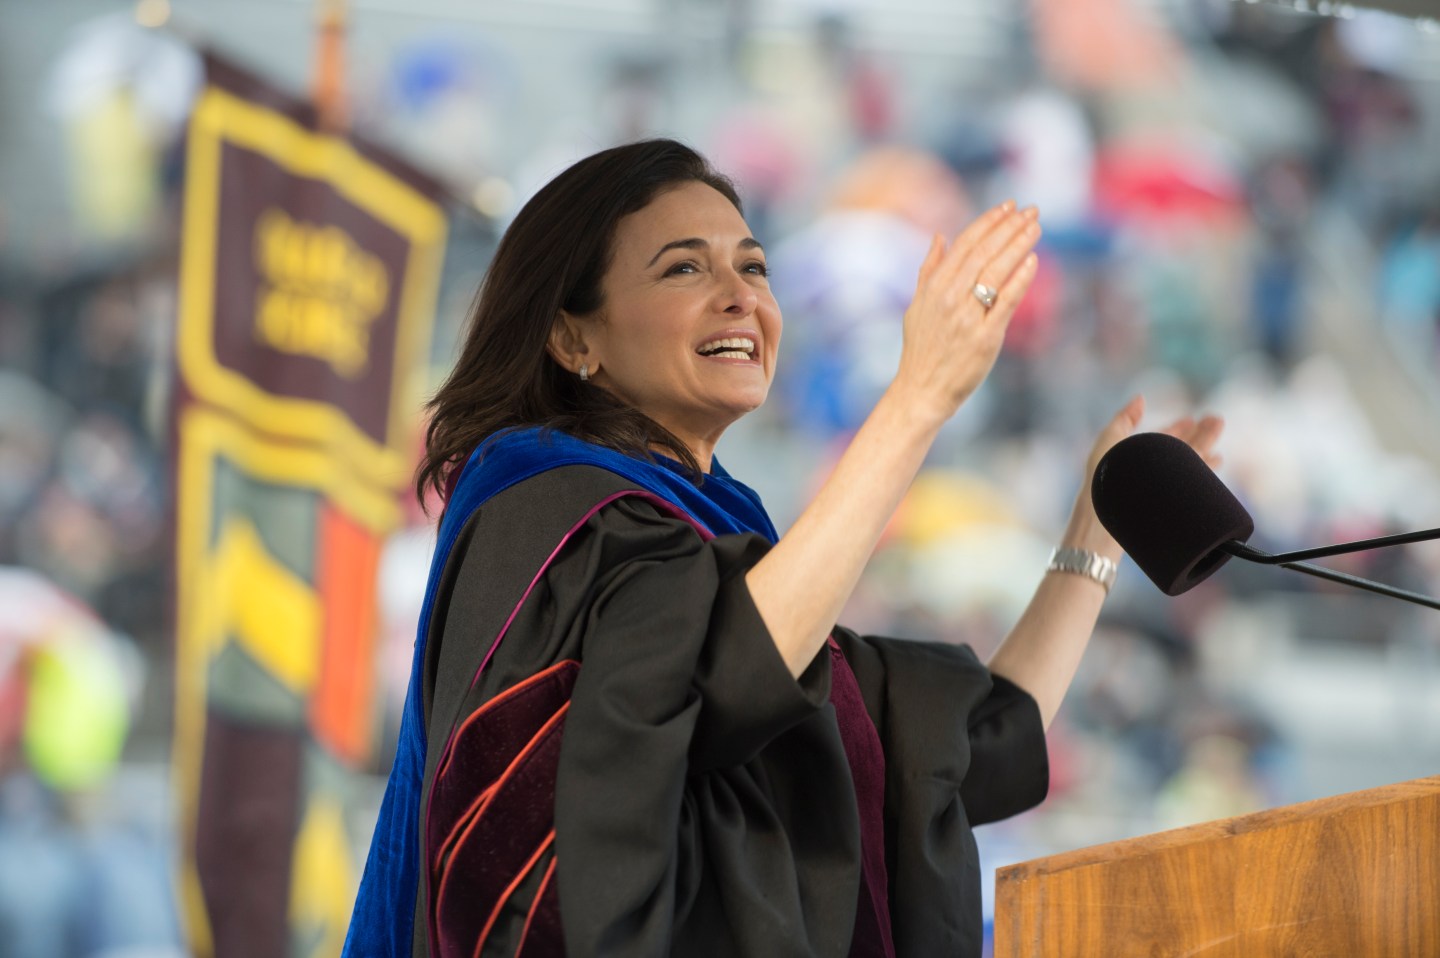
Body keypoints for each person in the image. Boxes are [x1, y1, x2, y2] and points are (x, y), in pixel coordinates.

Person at [343, 139, 1223, 958]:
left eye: (753, 266)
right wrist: (915, 400)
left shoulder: (715, 545)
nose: (741, 297)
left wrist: (1093, 533)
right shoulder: (544, 515)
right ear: (574, 336)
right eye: (684, 266)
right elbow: (715, 686)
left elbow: (973, 749)